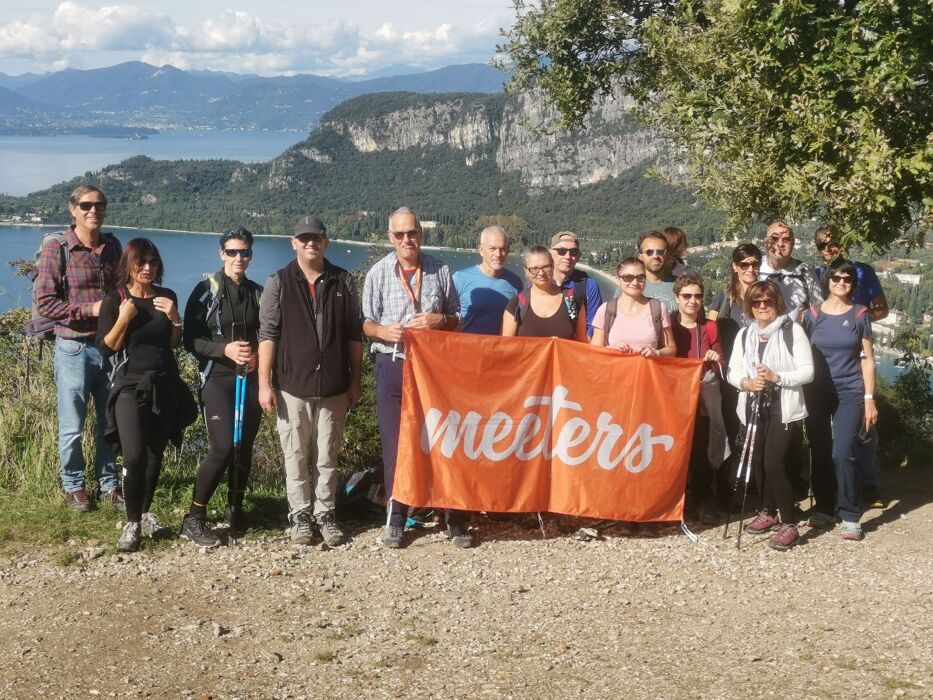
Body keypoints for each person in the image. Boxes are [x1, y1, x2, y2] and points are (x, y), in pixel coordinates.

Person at [362, 207, 469, 549]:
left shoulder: (440, 269)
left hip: (434, 370)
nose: (407, 240)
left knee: (442, 441)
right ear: (389, 237)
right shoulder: (377, 273)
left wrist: (439, 319)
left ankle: (453, 517)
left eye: (412, 233)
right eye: (400, 234)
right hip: (393, 366)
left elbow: (457, 317)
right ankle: (396, 518)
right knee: (396, 446)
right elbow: (364, 324)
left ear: (421, 234)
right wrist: (382, 331)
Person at [258, 216, 363, 547]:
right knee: (296, 455)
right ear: (294, 242)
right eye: (303, 238)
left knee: (326, 456)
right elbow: (268, 334)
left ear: (325, 242)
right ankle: (300, 515)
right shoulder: (279, 281)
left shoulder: (342, 281)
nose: (310, 243)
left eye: (316, 238)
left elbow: (353, 335)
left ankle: (325, 514)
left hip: (333, 385)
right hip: (293, 386)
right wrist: (265, 383)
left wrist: (355, 379)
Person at [97, 238, 197, 553]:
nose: (147, 268)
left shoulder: (166, 296)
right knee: (135, 454)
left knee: (155, 454)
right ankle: (130, 522)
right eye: (141, 262)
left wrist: (175, 318)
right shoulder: (116, 299)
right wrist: (124, 318)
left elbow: (173, 342)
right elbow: (105, 347)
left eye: (152, 262)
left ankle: (142, 515)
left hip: (165, 382)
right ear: (129, 264)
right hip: (129, 384)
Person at [35, 185, 123, 512]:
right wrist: (89, 310)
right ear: (73, 209)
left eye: (99, 204)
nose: (93, 210)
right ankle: (74, 486)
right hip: (72, 347)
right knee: (72, 425)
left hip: (108, 347)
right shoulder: (58, 247)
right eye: (86, 205)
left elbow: (123, 289)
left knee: (109, 420)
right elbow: (46, 302)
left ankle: (109, 484)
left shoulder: (112, 246)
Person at [181, 227, 263, 548]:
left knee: (244, 447)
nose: (238, 258)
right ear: (221, 254)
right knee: (224, 447)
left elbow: (268, 334)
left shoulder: (257, 292)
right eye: (232, 252)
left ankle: (236, 509)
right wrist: (224, 350)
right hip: (217, 378)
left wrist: (259, 358)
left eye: (244, 252)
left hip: (250, 377)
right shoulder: (206, 290)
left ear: (250, 255)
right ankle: (194, 517)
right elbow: (191, 339)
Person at [727, 280, 814, 551]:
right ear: (750, 306)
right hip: (755, 405)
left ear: (777, 303)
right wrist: (745, 383)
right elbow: (732, 370)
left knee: (774, 463)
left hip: (784, 408)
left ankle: (789, 523)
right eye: (756, 302)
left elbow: (808, 372)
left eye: (767, 301)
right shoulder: (745, 334)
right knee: (758, 462)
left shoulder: (793, 331)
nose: (762, 306)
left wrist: (778, 378)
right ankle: (767, 511)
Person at [803, 260, 878, 540]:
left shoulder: (860, 314)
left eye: (847, 279)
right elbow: (804, 354)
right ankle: (824, 506)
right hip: (817, 391)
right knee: (820, 450)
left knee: (842, 451)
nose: (841, 282)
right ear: (827, 281)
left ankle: (849, 513)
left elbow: (868, 360)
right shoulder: (811, 314)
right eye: (836, 278)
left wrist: (870, 399)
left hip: (850, 391)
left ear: (852, 284)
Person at [813, 225, 887, 507]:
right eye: (822, 245)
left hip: (856, 356)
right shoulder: (818, 275)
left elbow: (882, 308)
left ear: (843, 244)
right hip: (827, 364)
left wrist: (857, 323)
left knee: (865, 427)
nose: (828, 249)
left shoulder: (863, 271)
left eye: (833, 244)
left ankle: (869, 484)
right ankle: (839, 485)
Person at [670, 275, 729, 522]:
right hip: (673, 398)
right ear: (677, 298)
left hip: (703, 399)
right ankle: (675, 502)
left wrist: (716, 358)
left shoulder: (710, 327)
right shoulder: (668, 325)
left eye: (697, 296)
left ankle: (704, 501)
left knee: (700, 450)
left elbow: (722, 359)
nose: (693, 301)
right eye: (687, 296)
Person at [708, 244, 763, 449]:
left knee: (757, 431)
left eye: (755, 263)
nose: (750, 269)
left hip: (758, 372)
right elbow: (710, 330)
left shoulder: (765, 295)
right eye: (744, 264)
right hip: (729, 372)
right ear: (735, 266)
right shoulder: (725, 297)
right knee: (728, 427)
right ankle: (726, 476)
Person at [590, 257, 674, 356]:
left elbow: (671, 349)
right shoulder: (605, 310)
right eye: (628, 277)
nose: (635, 283)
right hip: (615, 371)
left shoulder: (658, 308)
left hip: (647, 371)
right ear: (618, 279)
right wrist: (609, 349)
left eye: (640, 278)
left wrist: (657, 353)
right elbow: (594, 352)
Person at [503, 246, 588, 341]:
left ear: (552, 266)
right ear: (526, 270)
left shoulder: (571, 300)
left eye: (546, 267)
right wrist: (544, 344)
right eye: (534, 268)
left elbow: (581, 343)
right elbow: (507, 347)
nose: (541, 273)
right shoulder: (518, 305)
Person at [453, 226, 522, 334]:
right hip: (467, 348)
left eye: (503, 249)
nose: (498, 254)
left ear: (508, 251)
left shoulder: (515, 283)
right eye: (492, 249)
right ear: (481, 250)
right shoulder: (460, 279)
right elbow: (447, 317)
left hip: (499, 349)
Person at [758, 221, 822, 322]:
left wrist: (809, 316)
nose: (780, 244)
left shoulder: (805, 272)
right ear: (766, 242)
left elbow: (819, 307)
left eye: (786, 240)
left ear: (792, 243)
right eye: (774, 239)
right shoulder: (754, 268)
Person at [549, 231, 602, 337]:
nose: (568, 257)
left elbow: (593, 328)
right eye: (562, 251)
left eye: (573, 252)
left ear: (578, 256)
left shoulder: (589, 286)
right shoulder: (539, 284)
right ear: (550, 253)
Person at [637, 230, 678, 312]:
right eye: (649, 252)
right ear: (640, 256)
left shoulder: (680, 285)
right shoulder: (631, 286)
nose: (655, 256)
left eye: (660, 251)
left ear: (667, 255)